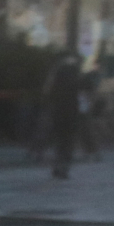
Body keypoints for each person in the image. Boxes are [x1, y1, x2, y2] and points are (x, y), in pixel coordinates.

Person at [45, 52, 83, 180]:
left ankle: (58, 165)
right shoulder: (76, 80)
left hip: (58, 112)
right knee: (68, 141)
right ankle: (64, 167)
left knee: (60, 140)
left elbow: (48, 93)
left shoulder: (56, 81)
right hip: (71, 112)